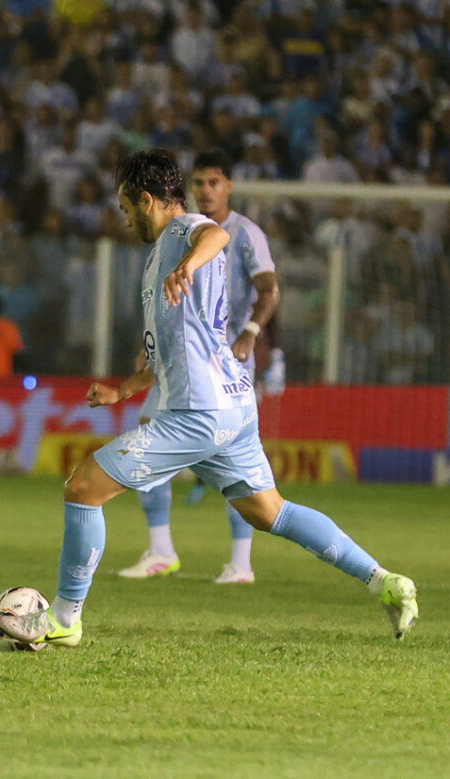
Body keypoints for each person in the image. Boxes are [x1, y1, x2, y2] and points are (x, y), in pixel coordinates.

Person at [0, 149, 418, 648]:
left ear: (148, 201)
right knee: (269, 512)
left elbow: (216, 234)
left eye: (127, 209)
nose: (126, 220)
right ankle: (386, 582)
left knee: (83, 487)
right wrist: (125, 388)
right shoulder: (160, 256)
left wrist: (189, 264)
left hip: (199, 411)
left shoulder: (183, 231)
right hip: (231, 405)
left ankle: (64, 621)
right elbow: (170, 344)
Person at [119, 147, 281, 585]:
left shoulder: (241, 233)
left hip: (225, 364)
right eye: (199, 183)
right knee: (146, 426)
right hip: (177, 360)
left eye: (214, 183)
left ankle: (241, 561)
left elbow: (269, 291)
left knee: (241, 466)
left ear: (228, 186)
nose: (206, 191)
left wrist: (250, 333)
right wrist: (148, 347)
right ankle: (160, 549)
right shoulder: (170, 234)